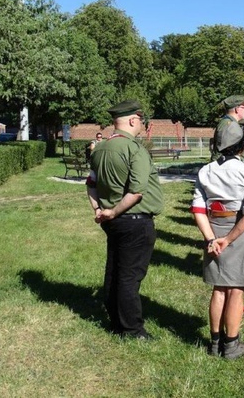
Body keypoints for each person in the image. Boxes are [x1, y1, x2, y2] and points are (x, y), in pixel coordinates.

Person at [86, 100, 163, 340]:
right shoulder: (134, 149)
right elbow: (137, 192)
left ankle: (115, 321)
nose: (141, 124)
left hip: (113, 222)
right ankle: (131, 329)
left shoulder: (99, 148)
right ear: (132, 120)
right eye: (140, 120)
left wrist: (100, 209)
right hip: (134, 221)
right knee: (129, 277)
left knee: (115, 271)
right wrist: (113, 211)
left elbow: (90, 184)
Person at [191, 120, 244, 359]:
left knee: (219, 289)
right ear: (242, 146)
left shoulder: (205, 170)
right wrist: (228, 240)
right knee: (236, 290)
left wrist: (211, 238)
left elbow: (198, 210)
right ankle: (231, 345)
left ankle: (214, 343)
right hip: (238, 231)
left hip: (214, 226)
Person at [211, 95, 244, 161]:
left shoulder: (229, 123)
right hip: (224, 164)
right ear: (237, 109)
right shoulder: (229, 124)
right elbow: (224, 149)